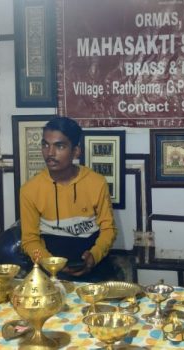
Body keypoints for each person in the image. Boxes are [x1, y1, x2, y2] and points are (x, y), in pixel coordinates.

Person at [19, 116, 119, 282]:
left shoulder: (96, 183)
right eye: (45, 145)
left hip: (93, 265)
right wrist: (52, 264)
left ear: (75, 151)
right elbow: (30, 240)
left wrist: (94, 256)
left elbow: (108, 230)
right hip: (49, 268)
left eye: (60, 146)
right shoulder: (29, 190)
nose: (50, 153)